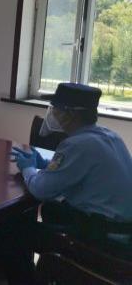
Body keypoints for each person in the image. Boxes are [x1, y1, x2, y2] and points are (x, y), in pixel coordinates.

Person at [12, 83, 132, 226]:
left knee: (29, 218)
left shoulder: (77, 144)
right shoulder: (110, 135)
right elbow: (79, 169)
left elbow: (40, 190)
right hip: (124, 224)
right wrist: (45, 163)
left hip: (104, 228)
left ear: (70, 114)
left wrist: (27, 168)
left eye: (55, 108)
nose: (53, 113)